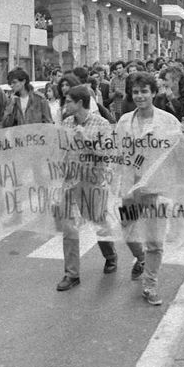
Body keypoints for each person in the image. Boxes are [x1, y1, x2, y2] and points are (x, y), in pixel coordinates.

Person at [114, 72, 184, 306]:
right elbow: (117, 153)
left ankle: (150, 284)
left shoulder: (168, 121)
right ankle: (141, 259)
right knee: (126, 227)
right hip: (130, 188)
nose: (139, 96)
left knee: (155, 240)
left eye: (144, 91)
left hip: (157, 188)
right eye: (135, 92)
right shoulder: (124, 121)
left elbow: (183, 154)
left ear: (153, 93)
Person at [54, 85, 120, 292]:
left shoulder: (101, 123)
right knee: (68, 226)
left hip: (92, 181)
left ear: (80, 103)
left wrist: (87, 140)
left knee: (97, 221)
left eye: (69, 101)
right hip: (70, 180)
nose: (65, 105)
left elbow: (108, 154)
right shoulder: (66, 122)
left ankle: (110, 255)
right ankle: (71, 274)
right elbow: (62, 149)